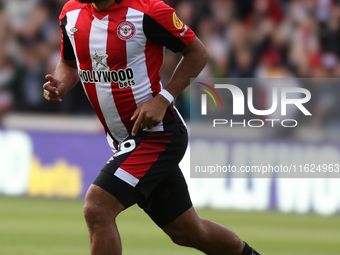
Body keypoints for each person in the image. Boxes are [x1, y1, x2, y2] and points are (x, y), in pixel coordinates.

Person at [43, 0, 260, 254]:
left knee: (98, 206)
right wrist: (60, 83)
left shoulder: (148, 11)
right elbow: (69, 64)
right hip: (125, 141)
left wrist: (163, 99)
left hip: (159, 135)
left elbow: (197, 53)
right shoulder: (71, 13)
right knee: (188, 231)